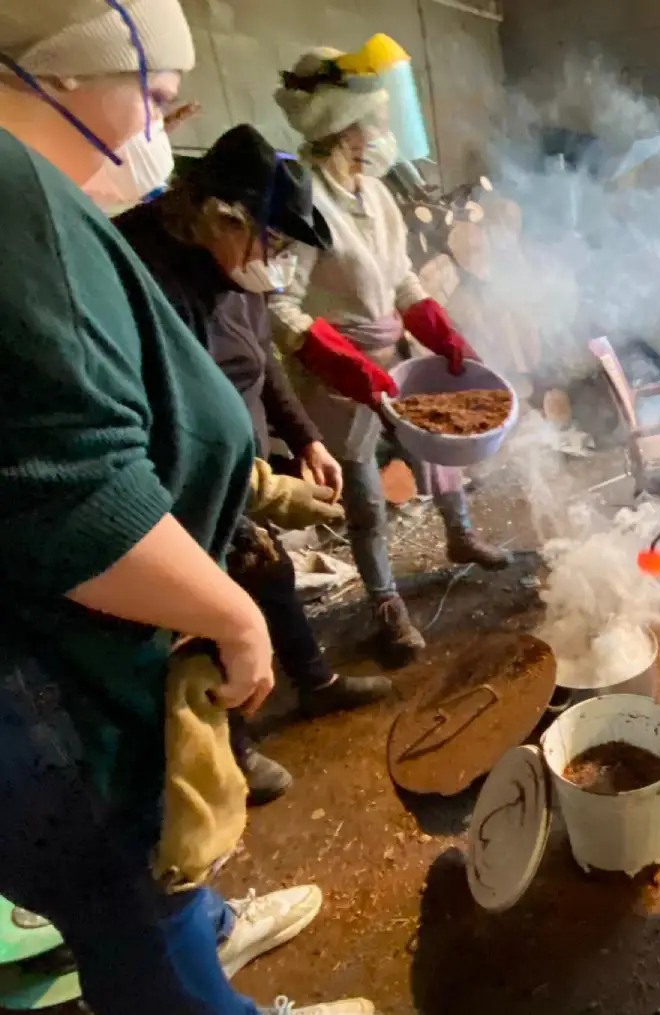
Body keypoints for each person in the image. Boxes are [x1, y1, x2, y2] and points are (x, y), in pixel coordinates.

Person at [0, 3, 372, 1013]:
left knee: (163, 869)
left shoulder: (62, 206)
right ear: (66, 74)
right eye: (158, 97)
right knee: (134, 900)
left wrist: (272, 473)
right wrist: (234, 614)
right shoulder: (24, 206)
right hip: (63, 686)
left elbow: (161, 413)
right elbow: (77, 490)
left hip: (116, 639)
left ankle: (209, 926)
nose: (164, 127)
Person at [112, 123, 395, 804]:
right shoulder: (144, 275)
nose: (277, 262)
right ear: (222, 217)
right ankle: (233, 747)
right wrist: (259, 493)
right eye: (272, 242)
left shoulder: (235, 266)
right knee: (209, 608)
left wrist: (307, 439)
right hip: (179, 477)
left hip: (236, 461)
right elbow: (166, 425)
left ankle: (315, 680)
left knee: (270, 569)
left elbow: (262, 359)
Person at [270, 38, 512, 659]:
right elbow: (279, 305)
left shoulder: (375, 194)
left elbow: (401, 277)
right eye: (373, 124)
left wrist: (437, 327)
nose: (382, 135)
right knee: (365, 493)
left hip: (388, 355)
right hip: (332, 369)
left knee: (439, 448)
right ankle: (385, 602)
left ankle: (460, 535)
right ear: (342, 128)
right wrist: (335, 359)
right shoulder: (302, 199)